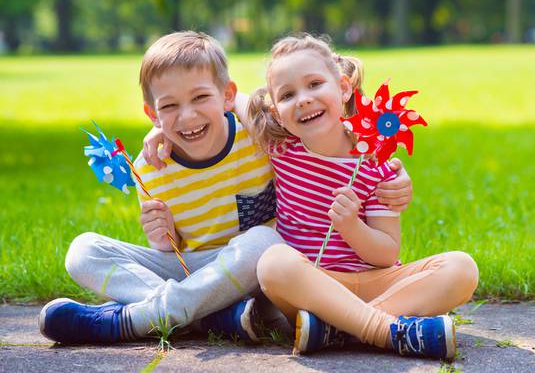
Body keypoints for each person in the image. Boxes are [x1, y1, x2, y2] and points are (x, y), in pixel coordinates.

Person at [38, 31, 286, 344]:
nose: (187, 116)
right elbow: (179, 250)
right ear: (152, 114)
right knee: (83, 251)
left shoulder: (256, 137)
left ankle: (140, 319)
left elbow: (276, 119)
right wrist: (164, 239)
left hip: (254, 275)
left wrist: (237, 104)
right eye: (169, 106)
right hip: (196, 274)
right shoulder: (151, 167)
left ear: (227, 95)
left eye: (200, 97)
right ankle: (202, 317)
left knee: (265, 242)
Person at [242, 34, 479, 360]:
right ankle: (386, 330)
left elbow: (385, 253)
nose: (303, 99)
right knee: (272, 262)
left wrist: (350, 225)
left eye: (314, 84)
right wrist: (158, 131)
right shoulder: (280, 149)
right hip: (314, 285)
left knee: (461, 268)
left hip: (377, 280)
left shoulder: (375, 162)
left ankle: (337, 330)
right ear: (276, 111)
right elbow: (226, 100)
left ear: (343, 87)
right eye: (287, 94)